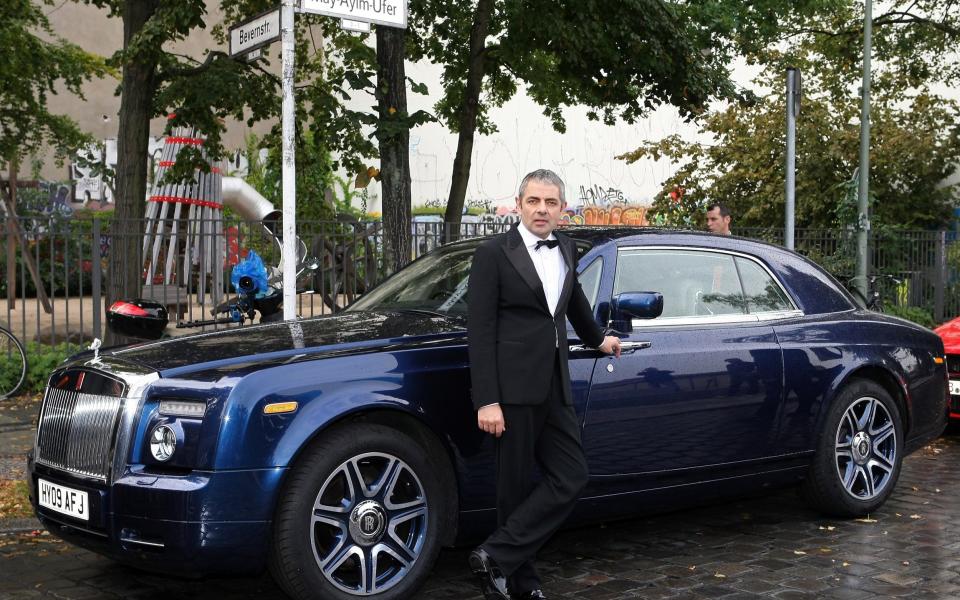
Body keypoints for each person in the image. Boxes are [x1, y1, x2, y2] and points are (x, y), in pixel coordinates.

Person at [466, 169, 621, 600]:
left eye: (551, 203)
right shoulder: (493, 253)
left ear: (561, 209)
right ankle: (521, 583)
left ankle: (494, 555)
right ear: (519, 205)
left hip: (555, 384)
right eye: (534, 201)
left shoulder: (567, 247)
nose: (542, 210)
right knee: (511, 491)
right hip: (510, 392)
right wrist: (487, 400)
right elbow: (479, 330)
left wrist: (599, 339)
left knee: (571, 476)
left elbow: (573, 304)